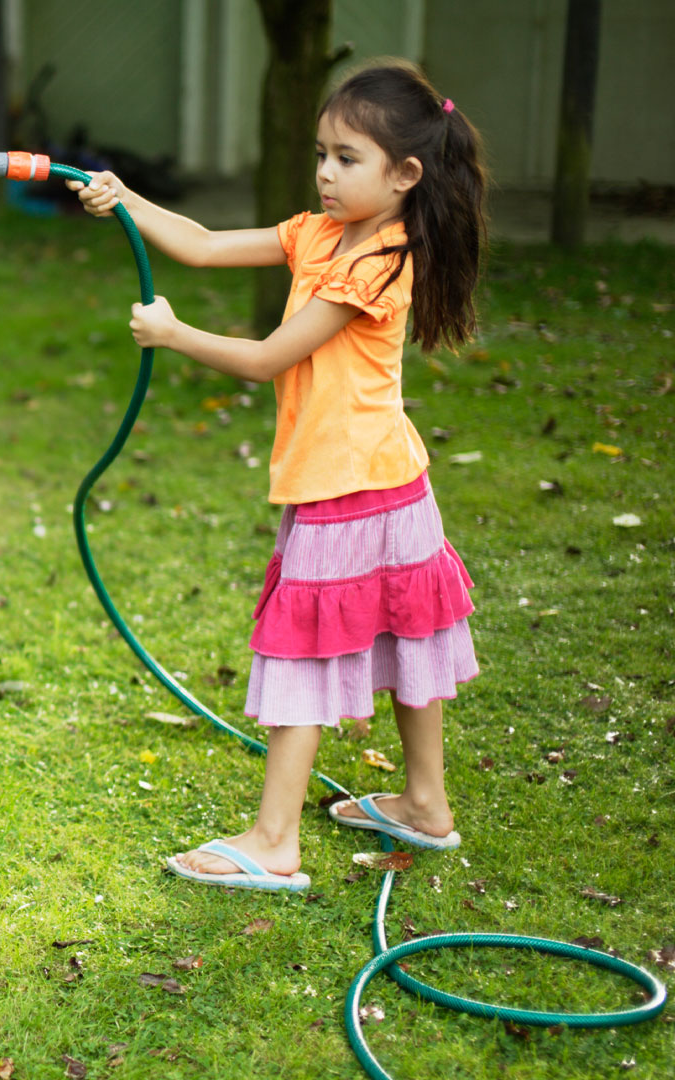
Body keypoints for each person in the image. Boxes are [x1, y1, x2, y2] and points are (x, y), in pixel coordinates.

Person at [67, 59, 488, 892]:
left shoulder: (379, 266)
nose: (327, 174)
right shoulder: (323, 235)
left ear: (405, 175)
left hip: (350, 490)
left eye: (348, 159)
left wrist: (175, 335)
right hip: (382, 482)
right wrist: (125, 198)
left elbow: (266, 361)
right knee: (407, 638)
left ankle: (273, 840)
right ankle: (425, 804)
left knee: (305, 652)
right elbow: (204, 243)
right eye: (321, 154)